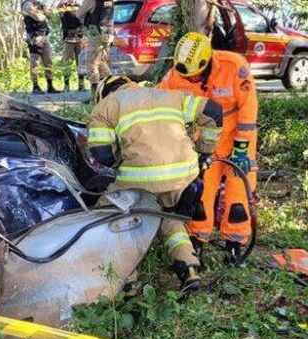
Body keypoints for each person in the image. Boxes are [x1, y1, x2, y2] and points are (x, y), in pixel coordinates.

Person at [87, 75, 224, 291]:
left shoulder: (105, 107)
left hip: (138, 181)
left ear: (103, 92)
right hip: (183, 176)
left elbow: (102, 154)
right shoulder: (168, 95)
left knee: (110, 219)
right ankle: (189, 268)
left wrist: (120, 161)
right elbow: (213, 111)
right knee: (168, 218)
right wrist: (205, 153)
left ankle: (127, 282)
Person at [158, 32, 258, 263]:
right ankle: (197, 239)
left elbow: (248, 108)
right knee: (202, 191)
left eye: (195, 77)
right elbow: (157, 96)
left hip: (238, 136)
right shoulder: (177, 74)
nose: (191, 81)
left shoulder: (234, 67)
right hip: (206, 141)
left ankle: (235, 243)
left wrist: (241, 145)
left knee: (238, 195)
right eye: (188, 77)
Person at [76, 0, 114, 100]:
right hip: (107, 32)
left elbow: (78, 14)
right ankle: (111, 90)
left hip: (96, 32)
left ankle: (95, 96)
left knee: (92, 63)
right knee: (101, 62)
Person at [21, 0, 59, 94]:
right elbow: (38, 17)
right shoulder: (27, 4)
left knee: (48, 61)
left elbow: (50, 17)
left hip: (44, 36)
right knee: (35, 63)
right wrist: (43, 12)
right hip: (34, 37)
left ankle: (50, 86)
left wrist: (44, 8)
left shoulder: (40, 5)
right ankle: (35, 87)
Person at [57, 0, 86, 92]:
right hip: (68, 39)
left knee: (81, 63)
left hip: (80, 39)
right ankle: (66, 86)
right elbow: (59, 10)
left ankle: (81, 86)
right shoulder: (64, 6)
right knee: (67, 63)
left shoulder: (79, 6)